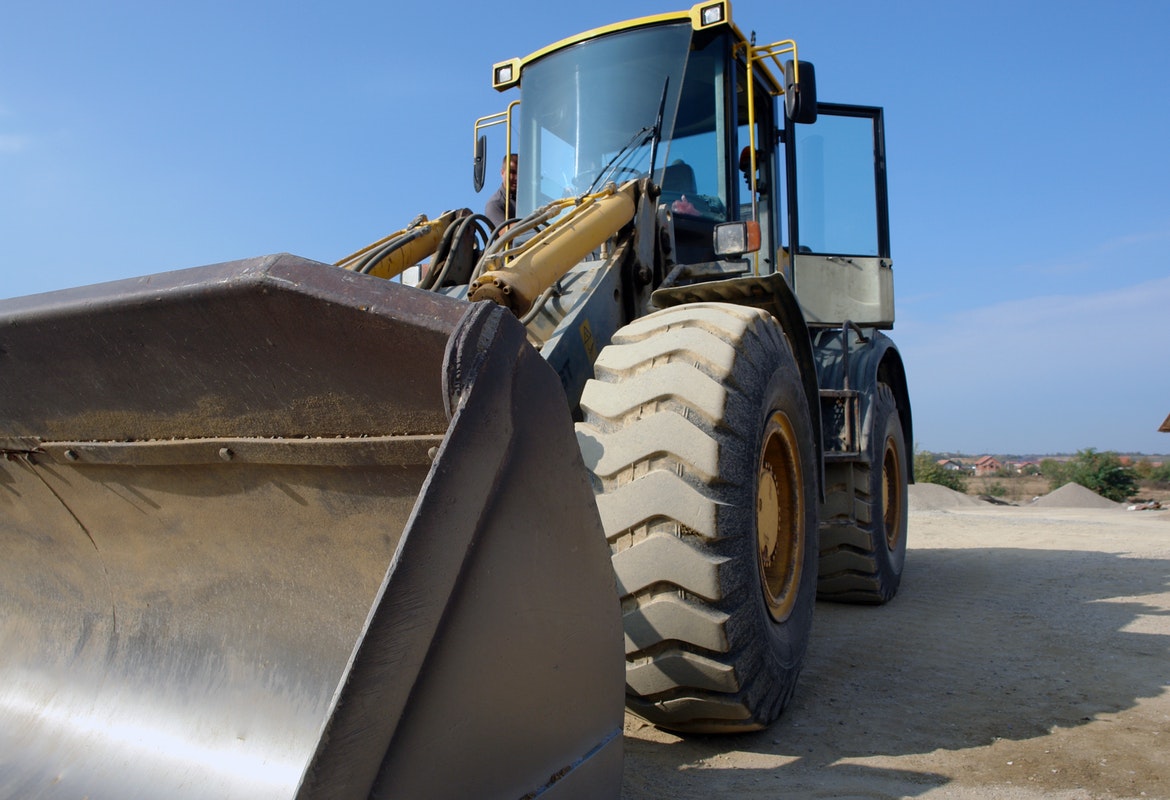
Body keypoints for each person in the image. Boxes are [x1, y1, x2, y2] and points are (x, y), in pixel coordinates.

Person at [484, 153, 518, 228]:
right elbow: (504, 233)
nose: (516, 178)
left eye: (520, 173)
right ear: (502, 173)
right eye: (512, 172)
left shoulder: (533, 198)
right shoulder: (495, 204)